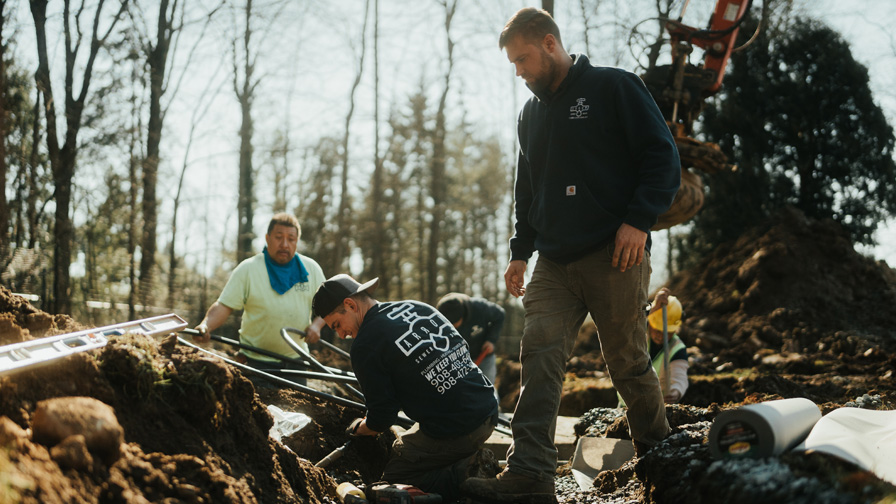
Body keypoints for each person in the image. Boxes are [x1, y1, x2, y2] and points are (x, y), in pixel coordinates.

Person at [462, 8, 681, 503]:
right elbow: (528, 191)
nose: (518, 72)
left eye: (523, 60)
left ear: (549, 43)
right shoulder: (530, 115)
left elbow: (661, 156)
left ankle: (659, 455)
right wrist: (521, 252)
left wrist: (639, 220)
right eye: (513, 64)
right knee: (539, 354)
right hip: (554, 263)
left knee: (627, 360)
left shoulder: (614, 88)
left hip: (615, 253)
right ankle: (531, 473)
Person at [312, 274, 499, 502]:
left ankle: (466, 473)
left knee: (395, 476)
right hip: (487, 408)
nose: (341, 335)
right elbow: (461, 348)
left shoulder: (365, 345)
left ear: (350, 305)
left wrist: (359, 428)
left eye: (337, 325)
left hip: (458, 426)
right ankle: (462, 458)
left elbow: (382, 418)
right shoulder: (417, 307)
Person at [193, 213, 326, 382]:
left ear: (297, 241)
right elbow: (224, 305)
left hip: (296, 363)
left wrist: (317, 325)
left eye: (291, 239)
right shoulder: (248, 269)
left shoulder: (312, 269)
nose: (285, 244)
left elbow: (330, 307)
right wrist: (206, 326)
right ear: (267, 238)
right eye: (278, 237)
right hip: (255, 364)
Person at [618, 288, 689, 406]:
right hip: (626, 405)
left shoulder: (677, 348)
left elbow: (680, 376)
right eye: (657, 329)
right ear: (650, 323)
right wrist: (654, 309)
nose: (660, 335)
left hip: (656, 408)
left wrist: (676, 392)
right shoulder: (639, 335)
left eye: (666, 331)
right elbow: (629, 323)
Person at [436, 292, 505, 385]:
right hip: (458, 360)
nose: (451, 327)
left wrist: (491, 340)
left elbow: (500, 314)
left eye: (453, 323)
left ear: (462, 316)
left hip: (483, 354)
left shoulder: (480, 308)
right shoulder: (437, 318)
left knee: (487, 386)